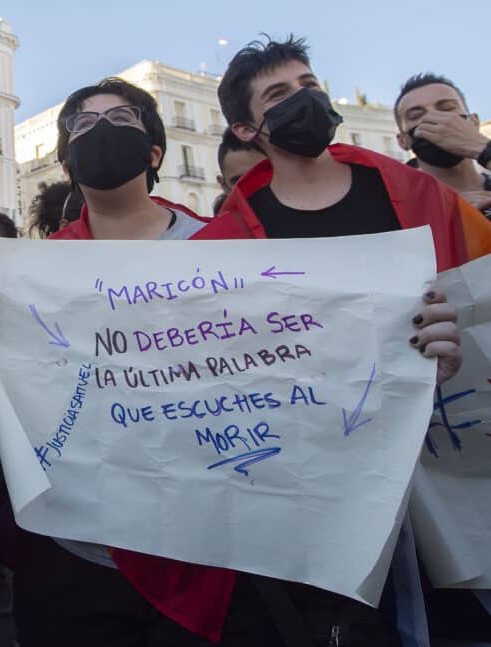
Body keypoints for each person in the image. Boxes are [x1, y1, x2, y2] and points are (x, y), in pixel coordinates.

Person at [195, 35, 491, 644]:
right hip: (325, 497)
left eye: (308, 86)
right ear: (248, 131)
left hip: (449, 467)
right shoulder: (224, 246)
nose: (305, 100)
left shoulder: (416, 195)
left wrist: (456, 340)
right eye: (279, 95)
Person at [0, 78, 270, 647]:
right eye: (84, 125)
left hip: (205, 547)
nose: (101, 131)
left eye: (121, 120)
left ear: (154, 154)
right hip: (76, 553)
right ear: (66, 159)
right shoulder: (26, 276)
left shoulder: (227, 250)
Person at [394, 73, 491, 216]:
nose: (434, 119)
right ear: (403, 141)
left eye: (447, 108)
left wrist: (484, 149)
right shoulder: (397, 207)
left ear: (474, 122)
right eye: (416, 116)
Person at [213, 127, 265, 215]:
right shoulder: (219, 228)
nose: (251, 188)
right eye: (239, 181)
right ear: (224, 185)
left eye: (260, 176)